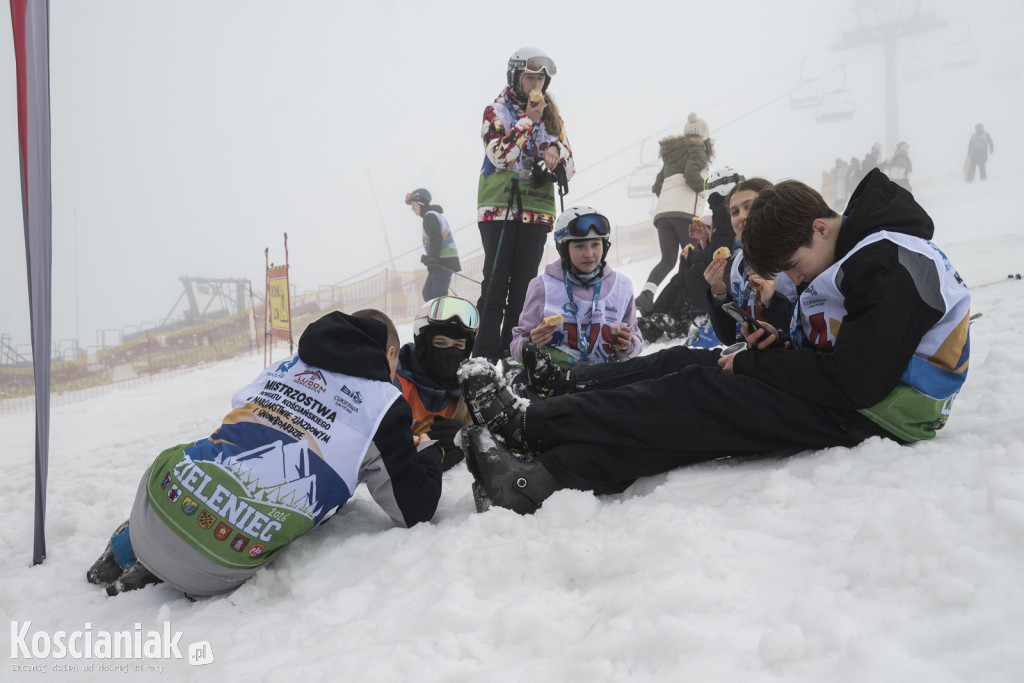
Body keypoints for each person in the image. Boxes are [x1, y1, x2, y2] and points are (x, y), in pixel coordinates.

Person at [458, 169, 971, 515]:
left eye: (792, 265)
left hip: (882, 411)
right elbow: (844, 355)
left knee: (697, 395)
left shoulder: (890, 260)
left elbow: (859, 381)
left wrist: (755, 367)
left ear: (819, 227)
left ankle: (530, 425)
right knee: (684, 414)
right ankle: (539, 477)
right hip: (866, 398)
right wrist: (771, 349)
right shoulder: (857, 256)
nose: (796, 277)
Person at [87, 310, 443, 597]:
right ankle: (170, 566)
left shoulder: (288, 364)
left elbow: (241, 409)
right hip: (216, 564)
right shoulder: (383, 403)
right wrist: (427, 448)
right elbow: (413, 509)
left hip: (155, 498)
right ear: (390, 354)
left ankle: (126, 548)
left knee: (206, 457)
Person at [474, 47, 575, 363]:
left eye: (540, 80)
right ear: (516, 77)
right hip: (500, 208)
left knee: (523, 288)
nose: (535, 85)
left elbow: (570, 166)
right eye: (530, 77)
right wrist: (527, 122)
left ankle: (510, 353)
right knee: (495, 285)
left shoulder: (553, 117)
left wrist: (556, 156)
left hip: (537, 210)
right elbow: (500, 155)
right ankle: (484, 355)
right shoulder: (497, 111)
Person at [509, 206, 641, 378]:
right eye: (579, 246)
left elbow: (636, 341)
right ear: (564, 249)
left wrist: (628, 345)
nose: (589, 254)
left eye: (595, 244)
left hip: (604, 382)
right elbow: (516, 346)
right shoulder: (542, 287)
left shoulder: (622, 286)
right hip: (557, 383)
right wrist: (531, 343)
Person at [702, 178, 798, 347]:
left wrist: (772, 301)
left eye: (750, 206)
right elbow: (731, 337)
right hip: (747, 356)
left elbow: (812, 327)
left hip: (787, 358)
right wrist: (719, 294)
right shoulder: (738, 264)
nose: (742, 216)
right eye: (734, 212)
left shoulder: (796, 258)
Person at [635, 113, 712, 316]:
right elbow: (691, 175)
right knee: (693, 257)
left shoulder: (670, 156)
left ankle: (646, 295)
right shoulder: (698, 151)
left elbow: (657, 185)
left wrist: (669, 199)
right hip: (685, 212)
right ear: (704, 136)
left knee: (667, 260)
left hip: (663, 214)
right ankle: (684, 303)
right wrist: (707, 188)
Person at [394, 296, 479, 470]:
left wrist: (465, 442)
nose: (450, 353)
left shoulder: (468, 394)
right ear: (423, 344)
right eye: (440, 343)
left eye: (458, 345)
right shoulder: (395, 383)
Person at [406, 188, 461, 301]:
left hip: (443, 261)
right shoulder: (432, 215)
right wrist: (429, 257)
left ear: (420, 202)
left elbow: (436, 238)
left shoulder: (429, 217)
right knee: (428, 293)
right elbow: (435, 239)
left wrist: (433, 258)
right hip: (441, 260)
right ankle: (436, 316)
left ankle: (442, 317)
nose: (412, 208)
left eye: (413, 204)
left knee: (437, 295)